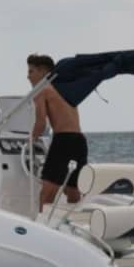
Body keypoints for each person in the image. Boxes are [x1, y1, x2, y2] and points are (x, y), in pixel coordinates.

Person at [27, 54, 88, 210]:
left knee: (46, 193)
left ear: (42, 72)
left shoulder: (41, 90)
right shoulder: (66, 89)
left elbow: (40, 123)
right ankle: (68, 225)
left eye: (31, 71)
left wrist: (30, 140)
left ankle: (40, 226)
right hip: (79, 140)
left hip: (63, 140)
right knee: (73, 190)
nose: (28, 76)